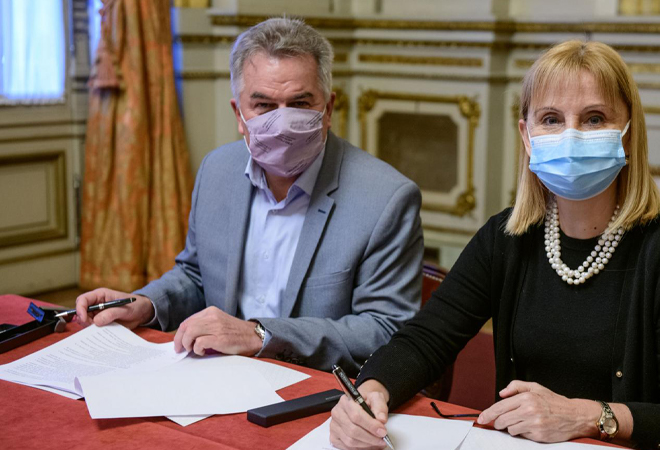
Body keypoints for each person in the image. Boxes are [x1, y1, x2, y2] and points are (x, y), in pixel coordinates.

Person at [330, 40, 660, 450]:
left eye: (594, 118)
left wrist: (588, 416)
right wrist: (371, 390)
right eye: (551, 119)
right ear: (527, 136)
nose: (571, 135)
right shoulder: (506, 238)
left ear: (628, 133)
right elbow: (426, 340)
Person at [75, 18, 423, 376]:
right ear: (239, 115)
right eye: (264, 106)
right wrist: (146, 304)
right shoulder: (217, 171)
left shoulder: (385, 199)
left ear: (328, 109)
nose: (283, 122)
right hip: (216, 374)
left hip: (315, 389)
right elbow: (197, 276)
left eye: (300, 103)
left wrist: (260, 336)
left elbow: (385, 329)